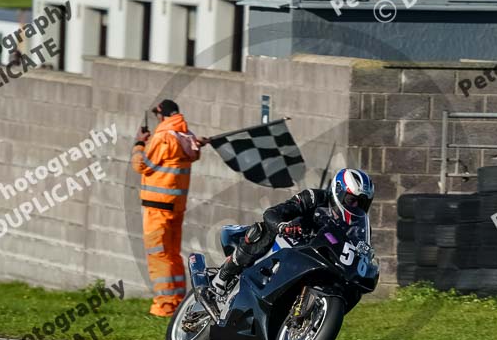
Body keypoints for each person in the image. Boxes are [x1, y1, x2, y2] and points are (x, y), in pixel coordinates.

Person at [201, 168, 374, 312]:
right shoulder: (315, 198)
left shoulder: (358, 227)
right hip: (291, 241)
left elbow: (360, 250)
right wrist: (283, 226)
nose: (356, 207)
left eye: (362, 203)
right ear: (338, 191)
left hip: (318, 260)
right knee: (260, 231)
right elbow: (273, 212)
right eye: (352, 200)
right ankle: (220, 281)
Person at [131, 99, 209, 317]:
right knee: (172, 255)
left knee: (159, 255)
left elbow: (140, 165)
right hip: (175, 207)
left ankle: (164, 307)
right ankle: (176, 302)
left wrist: (139, 144)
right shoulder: (185, 136)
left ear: (161, 115)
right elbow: (191, 151)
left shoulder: (163, 136)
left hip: (157, 208)